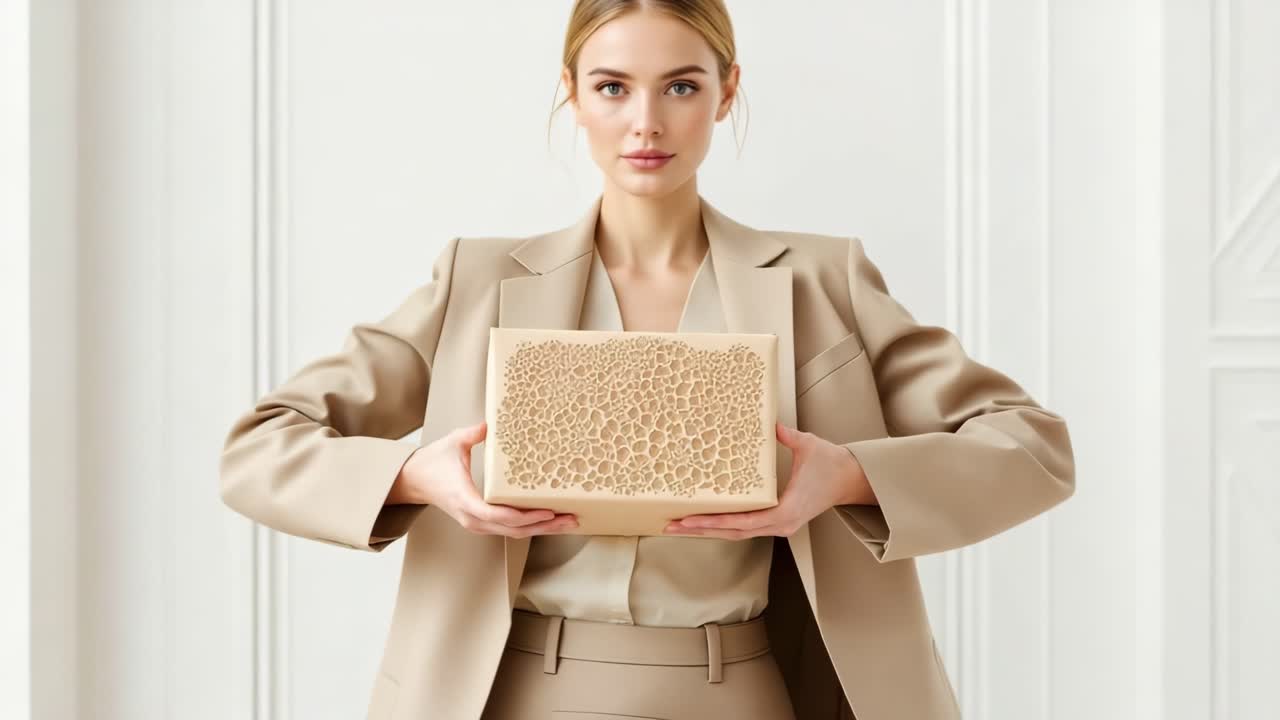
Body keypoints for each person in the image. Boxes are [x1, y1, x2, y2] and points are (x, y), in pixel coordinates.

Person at [218, 2, 1077, 719]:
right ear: (572, 96)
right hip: (515, 692)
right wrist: (416, 477)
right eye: (612, 87)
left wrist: (848, 477)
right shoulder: (474, 281)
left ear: (726, 94)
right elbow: (260, 448)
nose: (646, 122)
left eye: (681, 86)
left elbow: (1032, 447)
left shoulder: (824, 281)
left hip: (741, 689)